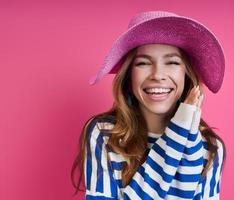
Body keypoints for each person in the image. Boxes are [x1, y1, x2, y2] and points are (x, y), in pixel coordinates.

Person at [71, 10, 226, 200]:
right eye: (143, 63)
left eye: (172, 62)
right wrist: (179, 129)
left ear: (187, 74)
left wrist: (186, 127)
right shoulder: (104, 134)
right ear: (129, 75)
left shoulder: (210, 148)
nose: (157, 75)